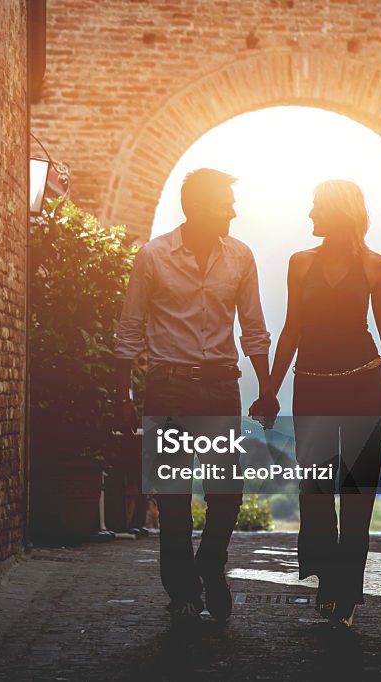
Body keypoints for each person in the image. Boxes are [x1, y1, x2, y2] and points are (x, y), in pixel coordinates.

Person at [112, 168, 279, 623]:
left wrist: (265, 388)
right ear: (198, 207)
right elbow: (130, 327)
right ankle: (183, 591)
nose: (233, 210)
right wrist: (124, 391)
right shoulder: (153, 257)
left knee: (226, 491)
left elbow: (254, 328)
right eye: (225, 202)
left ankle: (210, 562)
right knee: (172, 497)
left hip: (220, 386)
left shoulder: (240, 257)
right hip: (167, 388)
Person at [266, 179, 381, 627]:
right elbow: (291, 330)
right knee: (315, 490)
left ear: (337, 212)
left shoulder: (375, 266)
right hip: (312, 386)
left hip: (364, 385)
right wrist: (270, 390)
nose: (310, 214)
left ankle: (346, 591)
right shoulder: (299, 263)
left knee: (357, 491)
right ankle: (328, 580)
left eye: (316, 206)